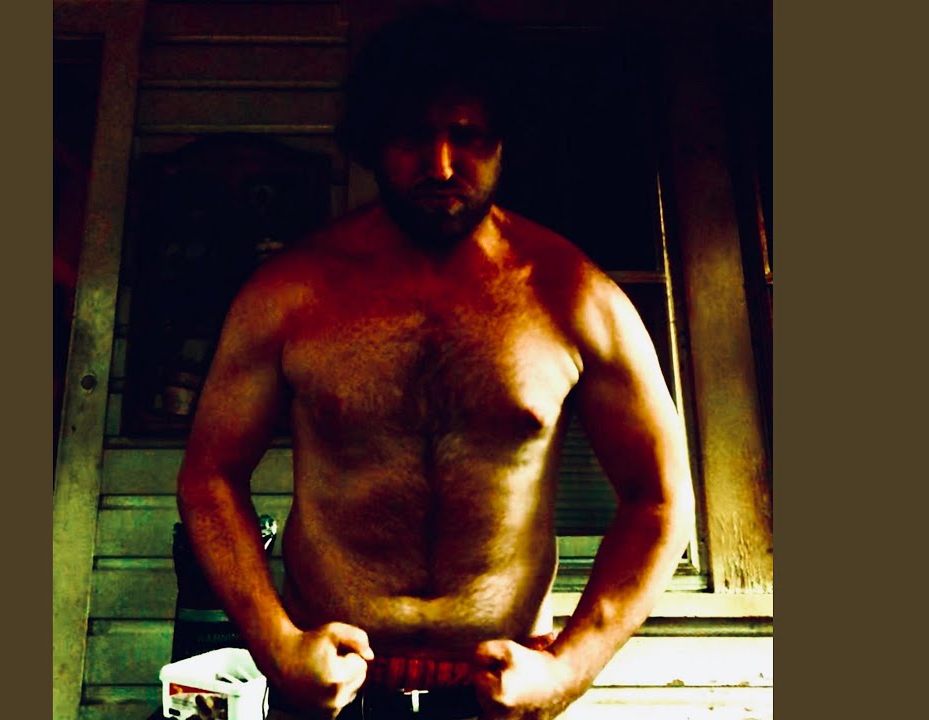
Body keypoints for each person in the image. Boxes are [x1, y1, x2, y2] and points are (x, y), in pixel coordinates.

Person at [177, 8, 694, 720]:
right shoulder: (290, 295)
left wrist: (568, 672)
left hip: (498, 694)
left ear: (504, 140)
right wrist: (277, 646)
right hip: (331, 692)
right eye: (412, 137)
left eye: (468, 136)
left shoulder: (575, 297)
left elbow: (661, 499)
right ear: (373, 141)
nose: (442, 166)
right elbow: (209, 477)